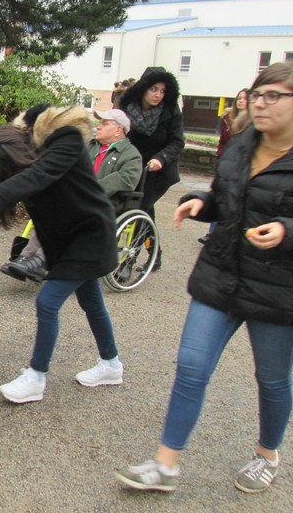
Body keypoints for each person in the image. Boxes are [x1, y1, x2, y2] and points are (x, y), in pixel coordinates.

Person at [115, 62, 293, 494]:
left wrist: (287, 229)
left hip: (277, 284)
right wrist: (201, 203)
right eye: (258, 94)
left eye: (275, 96)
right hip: (219, 272)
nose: (261, 103)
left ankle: (267, 454)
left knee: (271, 379)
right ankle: (165, 465)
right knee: (192, 368)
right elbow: (224, 195)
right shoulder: (241, 144)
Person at [0, 105, 123, 403]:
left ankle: (36, 377)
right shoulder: (26, 152)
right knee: (92, 302)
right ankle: (111, 364)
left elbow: (39, 175)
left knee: (48, 301)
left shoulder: (67, 140)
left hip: (88, 236)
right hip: (65, 241)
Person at [2, 108, 143, 281]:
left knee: (66, 216)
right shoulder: (89, 146)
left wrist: (90, 191)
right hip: (77, 197)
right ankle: (26, 257)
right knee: (49, 214)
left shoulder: (131, 155)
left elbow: (126, 179)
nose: (98, 127)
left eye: (104, 124)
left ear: (118, 130)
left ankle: (40, 261)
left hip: (103, 202)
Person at [118, 67, 185, 270]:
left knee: (139, 210)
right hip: (133, 167)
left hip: (158, 170)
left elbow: (177, 142)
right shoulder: (127, 105)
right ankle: (156, 256)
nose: (158, 95)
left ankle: (128, 260)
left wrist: (161, 159)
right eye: (154, 89)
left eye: (162, 91)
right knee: (146, 212)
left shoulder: (171, 111)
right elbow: (119, 132)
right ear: (144, 88)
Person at [199, 88, 250, 244]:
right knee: (220, 195)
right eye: (239, 98)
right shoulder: (228, 119)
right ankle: (213, 233)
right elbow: (222, 141)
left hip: (242, 165)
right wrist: (222, 156)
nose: (241, 100)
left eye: (245, 98)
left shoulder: (253, 122)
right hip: (227, 162)